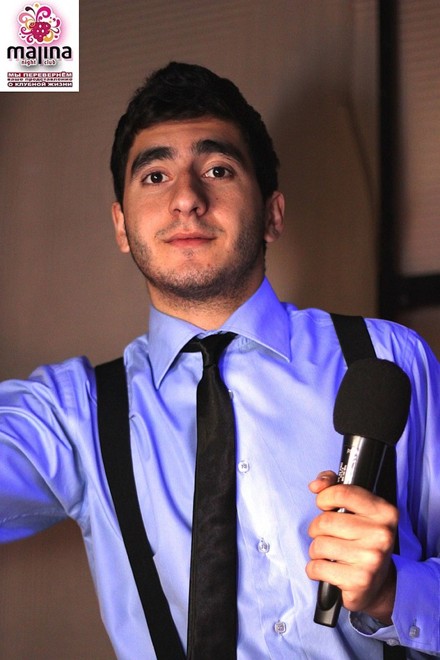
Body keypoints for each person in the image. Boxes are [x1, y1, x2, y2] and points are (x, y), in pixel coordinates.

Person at [0, 62, 439, 659]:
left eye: (217, 170)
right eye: (155, 175)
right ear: (122, 226)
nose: (186, 198)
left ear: (273, 214)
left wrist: (394, 593)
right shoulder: (74, 414)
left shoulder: (388, 359)